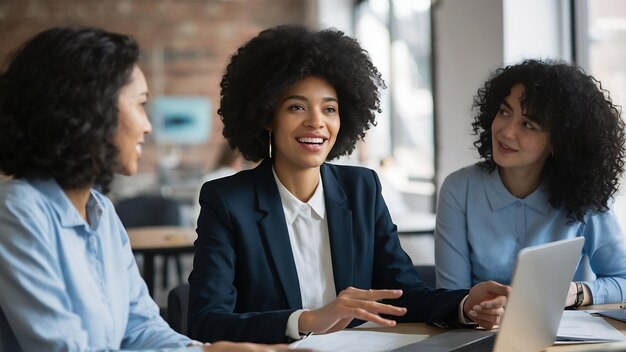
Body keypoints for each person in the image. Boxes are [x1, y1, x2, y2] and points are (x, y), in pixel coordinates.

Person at [189, 24, 510, 344]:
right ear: (267, 116)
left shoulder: (362, 189)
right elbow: (207, 322)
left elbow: (404, 295)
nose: (316, 121)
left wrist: (466, 305)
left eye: (329, 108)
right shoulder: (228, 201)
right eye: (297, 107)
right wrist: (308, 320)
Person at [0, 26, 309, 352]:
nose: (147, 125)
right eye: (140, 104)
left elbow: (140, 327)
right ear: (90, 109)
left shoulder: (101, 211)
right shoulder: (16, 213)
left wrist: (207, 351)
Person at [434, 59, 626, 308]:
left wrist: (578, 292)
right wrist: (470, 307)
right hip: (480, 339)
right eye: (504, 112)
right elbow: (451, 298)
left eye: (528, 124)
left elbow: (622, 279)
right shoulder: (459, 189)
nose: (506, 132)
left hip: (564, 342)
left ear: (558, 142)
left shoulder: (585, 193)